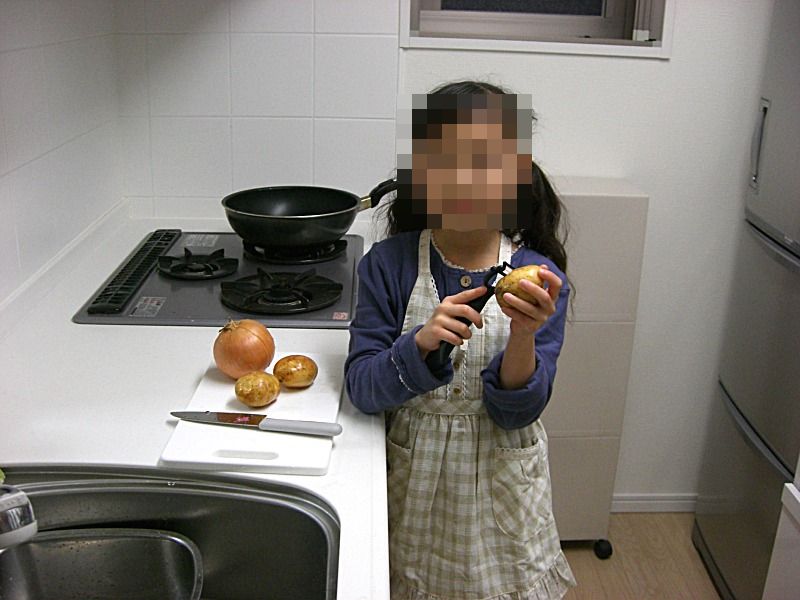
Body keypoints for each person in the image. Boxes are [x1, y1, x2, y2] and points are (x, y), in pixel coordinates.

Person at [345, 80, 577, 600]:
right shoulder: (388, 266)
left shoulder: (540, 279)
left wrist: (523, 335)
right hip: (412, 489)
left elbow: (518, 413)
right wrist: (419, 345)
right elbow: (362, 387)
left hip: (501, 494)